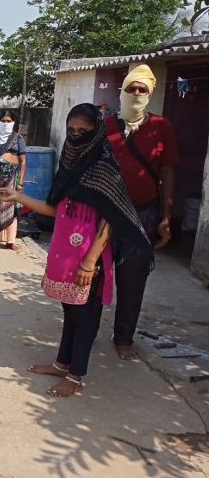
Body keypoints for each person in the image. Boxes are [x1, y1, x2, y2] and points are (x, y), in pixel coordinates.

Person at [0, 104, 151, 397]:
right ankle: (61, 363)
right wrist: (18, 196)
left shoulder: (105, 168)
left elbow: (111, 218)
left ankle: (76, 375)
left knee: (86, 317)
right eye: (72, 130)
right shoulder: (68, 166)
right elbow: (56, 211)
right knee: (70, 312)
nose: (77, 135)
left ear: (96, 133)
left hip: (88, 259)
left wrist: (90, 261)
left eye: (84, 131)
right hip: (64, 253)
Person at [104, 64, 177, 360]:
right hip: (105, 213)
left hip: (143, 214)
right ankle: (85, 329)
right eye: (131, 88)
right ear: (122, 91)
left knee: (133, 278)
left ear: (149, 93)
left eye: (142, 89)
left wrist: (165, 217)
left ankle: (124, 337)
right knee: (95, 273)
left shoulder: (161, 127)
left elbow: (168, 172)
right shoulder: (105, 126)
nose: (136, 93)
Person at [0, 111, 27, 250]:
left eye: (9, 121)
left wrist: (20, 183)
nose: (6, 123)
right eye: (3, 120)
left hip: (11, 179)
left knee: (11, 209)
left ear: (13, 123)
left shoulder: (18, 139)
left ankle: (10, 241)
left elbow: (22, 162)